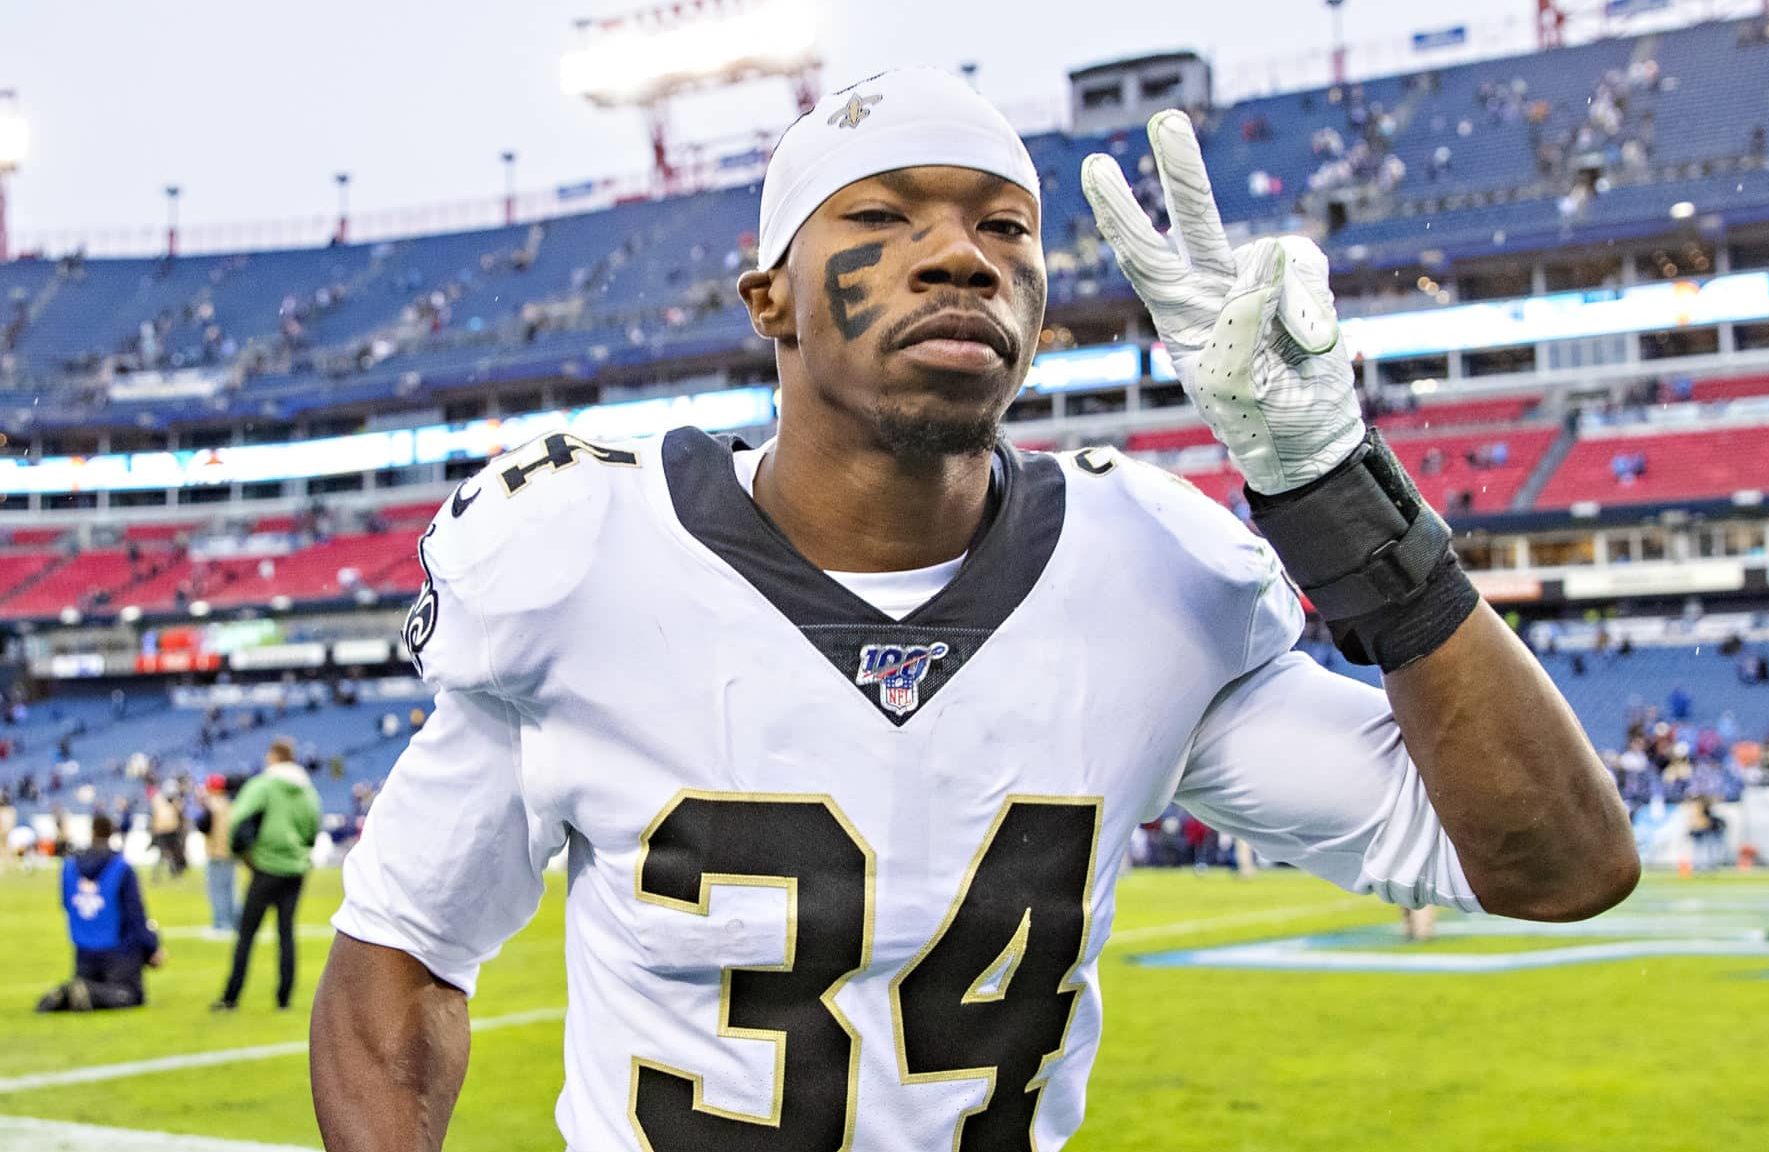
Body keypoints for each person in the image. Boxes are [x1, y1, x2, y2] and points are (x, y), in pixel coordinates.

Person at [311, 75, 1636, 1152]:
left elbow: (1558, 868)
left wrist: (1334, 489)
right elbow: (400, 959)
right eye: (881, 218)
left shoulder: (1150, 578)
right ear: (767, 295)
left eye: (1007, 228)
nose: (958, 253)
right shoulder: (586, 569)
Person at [213, 739, 320, 1012]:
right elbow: (312, 829)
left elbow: (239, 819)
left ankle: (231, 996)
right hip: (295, 869)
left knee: (247, 935)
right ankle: (284, 998)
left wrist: (245, 853)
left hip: (265, 868)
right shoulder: (308, 791)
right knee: (286, 933)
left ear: (273, 757)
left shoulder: (263, 785)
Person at [36, 814, 164, 1012]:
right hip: (118, 951)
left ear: (92, 832)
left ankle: (68, 994)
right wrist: (151, 947)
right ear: (111, 832)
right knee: (130, 995)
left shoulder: (70, 867)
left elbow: (66, 904)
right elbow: (135, 915)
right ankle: (88, 992)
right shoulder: (121, 868)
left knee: (86, 987)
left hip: (83, 950)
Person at [198, 774, 240, 936]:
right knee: (231, 890)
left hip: (216, 853)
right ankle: (236, 923)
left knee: (217, 891)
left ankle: (222, 925)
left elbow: (203, 826)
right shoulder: (231, 804)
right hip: (230, 852)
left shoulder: (211, 805)